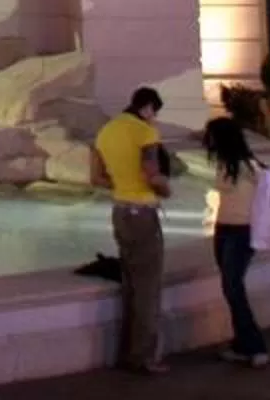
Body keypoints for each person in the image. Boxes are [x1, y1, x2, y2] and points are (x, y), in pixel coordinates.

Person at [93, 86, 173, 374]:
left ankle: (127, 352)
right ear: (148, 107)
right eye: (154, 112)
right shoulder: (145, 132)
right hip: (143, 215)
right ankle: (144, 357)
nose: (154, 118)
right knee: (148, 287)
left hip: (120, 213)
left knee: (130, 283)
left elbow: (96, 178)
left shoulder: (106, 132)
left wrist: (123, 186)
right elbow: (151, 174)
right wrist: (165, 190)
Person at [201, 116, 270, 368]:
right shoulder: (226, 163)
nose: (208, 141)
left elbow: (267, 192)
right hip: (224, 229)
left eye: (212, 136)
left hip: (242, 232)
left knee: (233, 287)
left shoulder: (248, 168)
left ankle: (255, 345)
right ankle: (242, 344)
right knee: (230, 286)